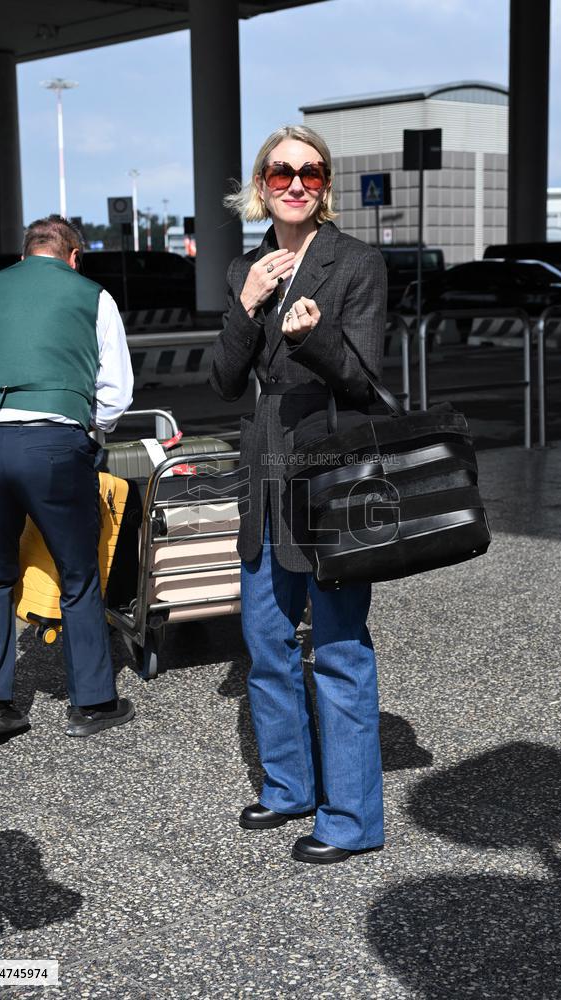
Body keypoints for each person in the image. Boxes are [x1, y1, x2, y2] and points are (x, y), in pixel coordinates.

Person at [211, 125, 388, 864]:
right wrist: (247, 305)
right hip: (265, 473)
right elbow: (224, 381)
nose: (295, 182)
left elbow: (365, 377)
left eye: (310, 173)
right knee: (265, 643)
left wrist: (311, 337)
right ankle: (288, 788)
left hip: (329, 470)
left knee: (341, 647)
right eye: (281, 171)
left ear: (325, 186)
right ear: (260, 184)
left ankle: (351, 820)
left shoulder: (356, 262)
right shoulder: (244, 269)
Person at [0, 215, 135, 739]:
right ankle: (92, 703)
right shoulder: (91, 296)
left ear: (25, 253)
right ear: (73, 255)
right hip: (54, 442)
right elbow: (115, 391)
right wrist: (82, 427)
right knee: (77, 572)